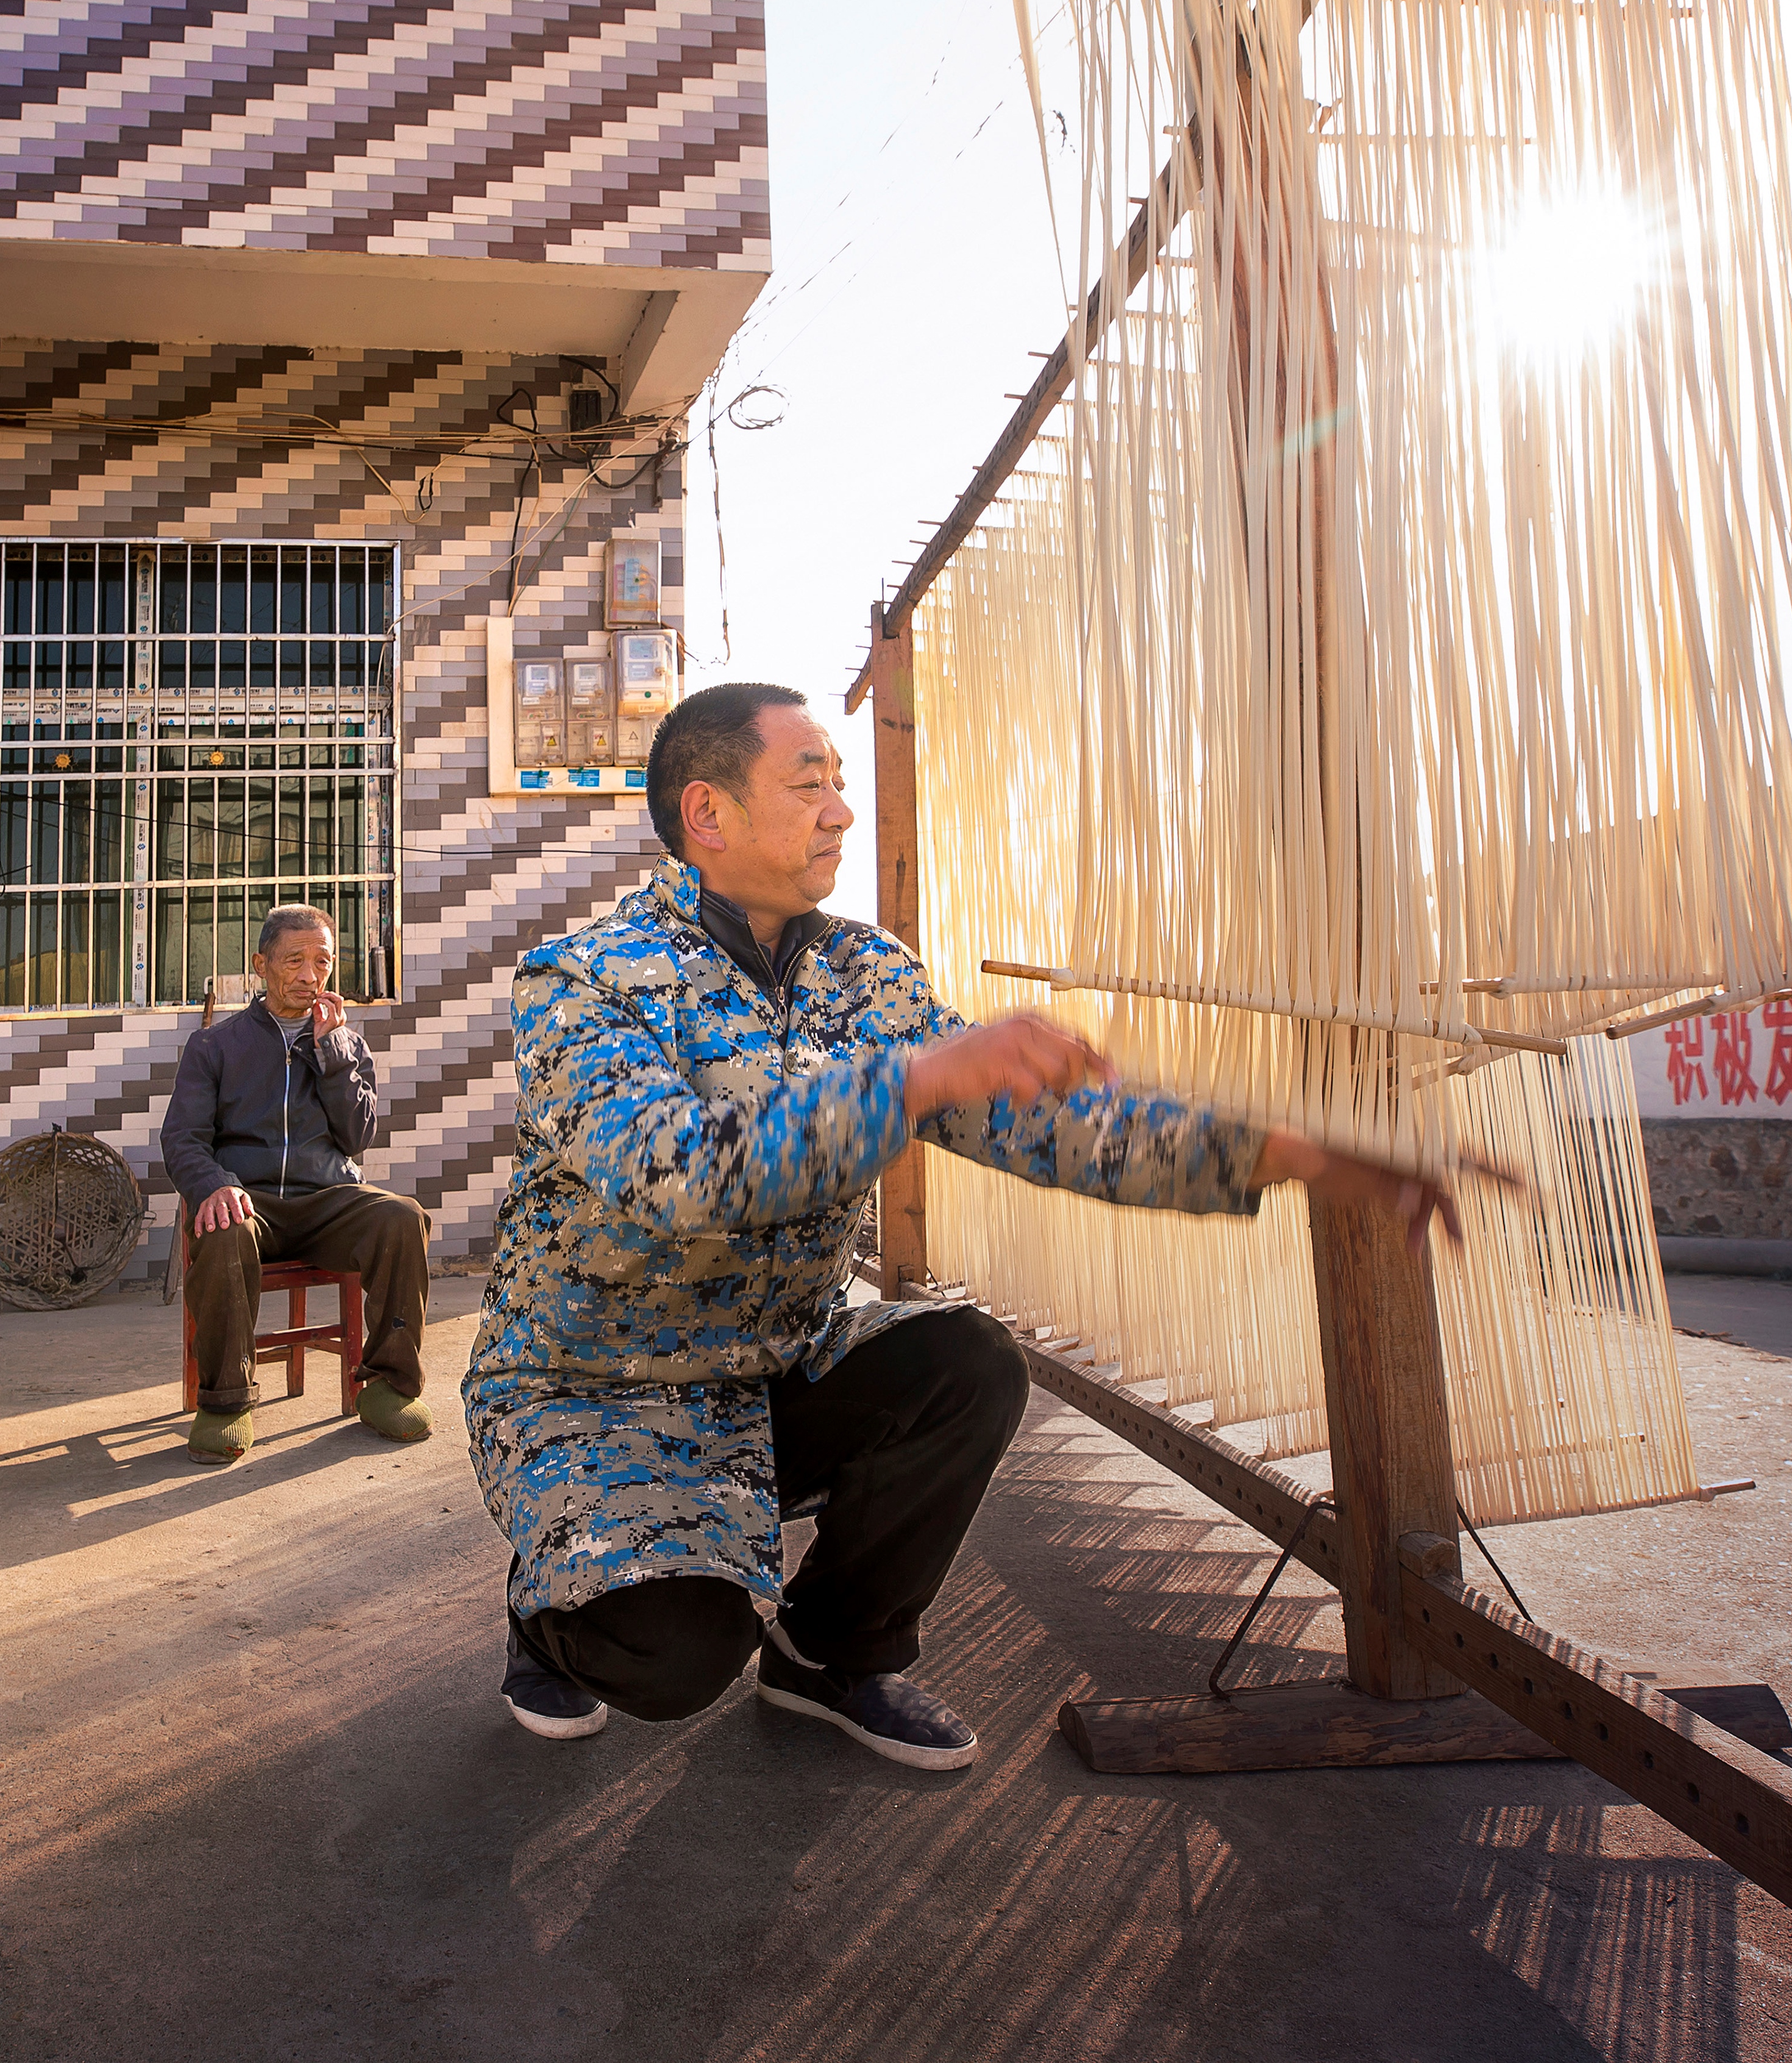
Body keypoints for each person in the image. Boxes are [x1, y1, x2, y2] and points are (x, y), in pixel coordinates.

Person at [464, 683, 1477, 1769]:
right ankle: (551, 1604)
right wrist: (911, 1076)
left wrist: (1293, 1154)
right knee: (673, 1658)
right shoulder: (586, 980)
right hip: (598, 1386)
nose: (840, 812)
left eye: (842, 784)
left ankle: (826, 1654)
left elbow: (1038, 1125)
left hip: (770, 1362)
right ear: (706, 815)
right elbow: (671, 1171)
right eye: (810, 785)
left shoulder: (864, 970)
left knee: (966, 1359)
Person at [161, 905, 436, 1463]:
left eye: (322, 962)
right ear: (262, 966)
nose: (311, 976)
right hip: (250, 1204)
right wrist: (213, 1183)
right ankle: (226, 1402)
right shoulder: (215, 1047)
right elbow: (183, 1139)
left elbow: (356, 1138)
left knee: (402, 1217)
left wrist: (331, 1054)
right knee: (220, 1224)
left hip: (325, 1202)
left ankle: (388, 1385)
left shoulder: (348, 1046)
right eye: (295, 961)